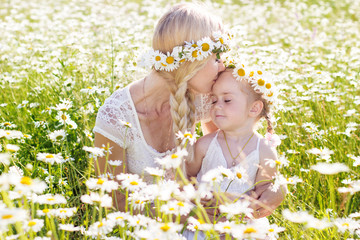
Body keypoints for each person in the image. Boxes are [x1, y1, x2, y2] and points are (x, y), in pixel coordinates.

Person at [93, 2, 229, 211]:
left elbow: (231, 155)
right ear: (193, 60)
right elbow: (114, 201)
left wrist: (271, 188)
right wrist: (187, 217)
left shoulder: (203, 97)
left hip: (199, 216)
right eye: (216, 58)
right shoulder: (116, 117)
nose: (223, 66)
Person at [184, 63, 286, 238]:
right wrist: (197, 199)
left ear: (254, 108)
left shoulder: (264, 151)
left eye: (227, 100)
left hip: (242, 225)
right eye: (214, 100)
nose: (217, 106)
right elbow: (185, 178)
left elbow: (264, 190)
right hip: (204, 223)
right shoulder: (205, 145)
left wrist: (248, 207)